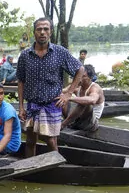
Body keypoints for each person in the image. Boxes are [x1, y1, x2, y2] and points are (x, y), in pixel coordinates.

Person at [17, 17, 84, 157]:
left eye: (46, 29)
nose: (42, 32)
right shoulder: (25, 55)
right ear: (34, 33)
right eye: (39, 29)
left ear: (50, 32)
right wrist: (21, 106)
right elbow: (21, 81)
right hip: (33, 104)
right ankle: (31, 167)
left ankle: (56, 166)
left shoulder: (60, 52)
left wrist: (68, 94)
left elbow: (80, 70)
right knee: (30, 140)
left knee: (51, 140)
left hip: (52, 103)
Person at [61, 64, 105, 132]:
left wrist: (70, 98)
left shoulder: (95, 88)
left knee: (84, 102)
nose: (80, 79)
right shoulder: (77, 87)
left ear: (90, 77)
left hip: (90, 124)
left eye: (83, 76)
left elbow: (92, 100)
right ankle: (68, 122)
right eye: (79, 76)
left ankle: (64, 124)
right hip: (77, 120)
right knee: (62, 97)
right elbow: (61, 92)